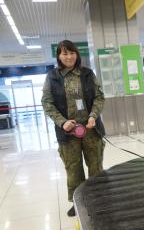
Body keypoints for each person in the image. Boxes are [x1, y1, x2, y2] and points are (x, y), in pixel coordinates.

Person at [41, 40, 106, 217]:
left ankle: (97, 199)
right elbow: (47, 103)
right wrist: (62, 122)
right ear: (59, 56)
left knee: (95, 166)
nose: (68, 57)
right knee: (73, 168)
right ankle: (77, 202)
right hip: (67, 133)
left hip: (91, 129)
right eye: (64, 53)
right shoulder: (52, 77)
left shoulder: (87, 74)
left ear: (76, 54)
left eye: (71, 53)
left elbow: (99, 97)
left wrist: (93, 116)